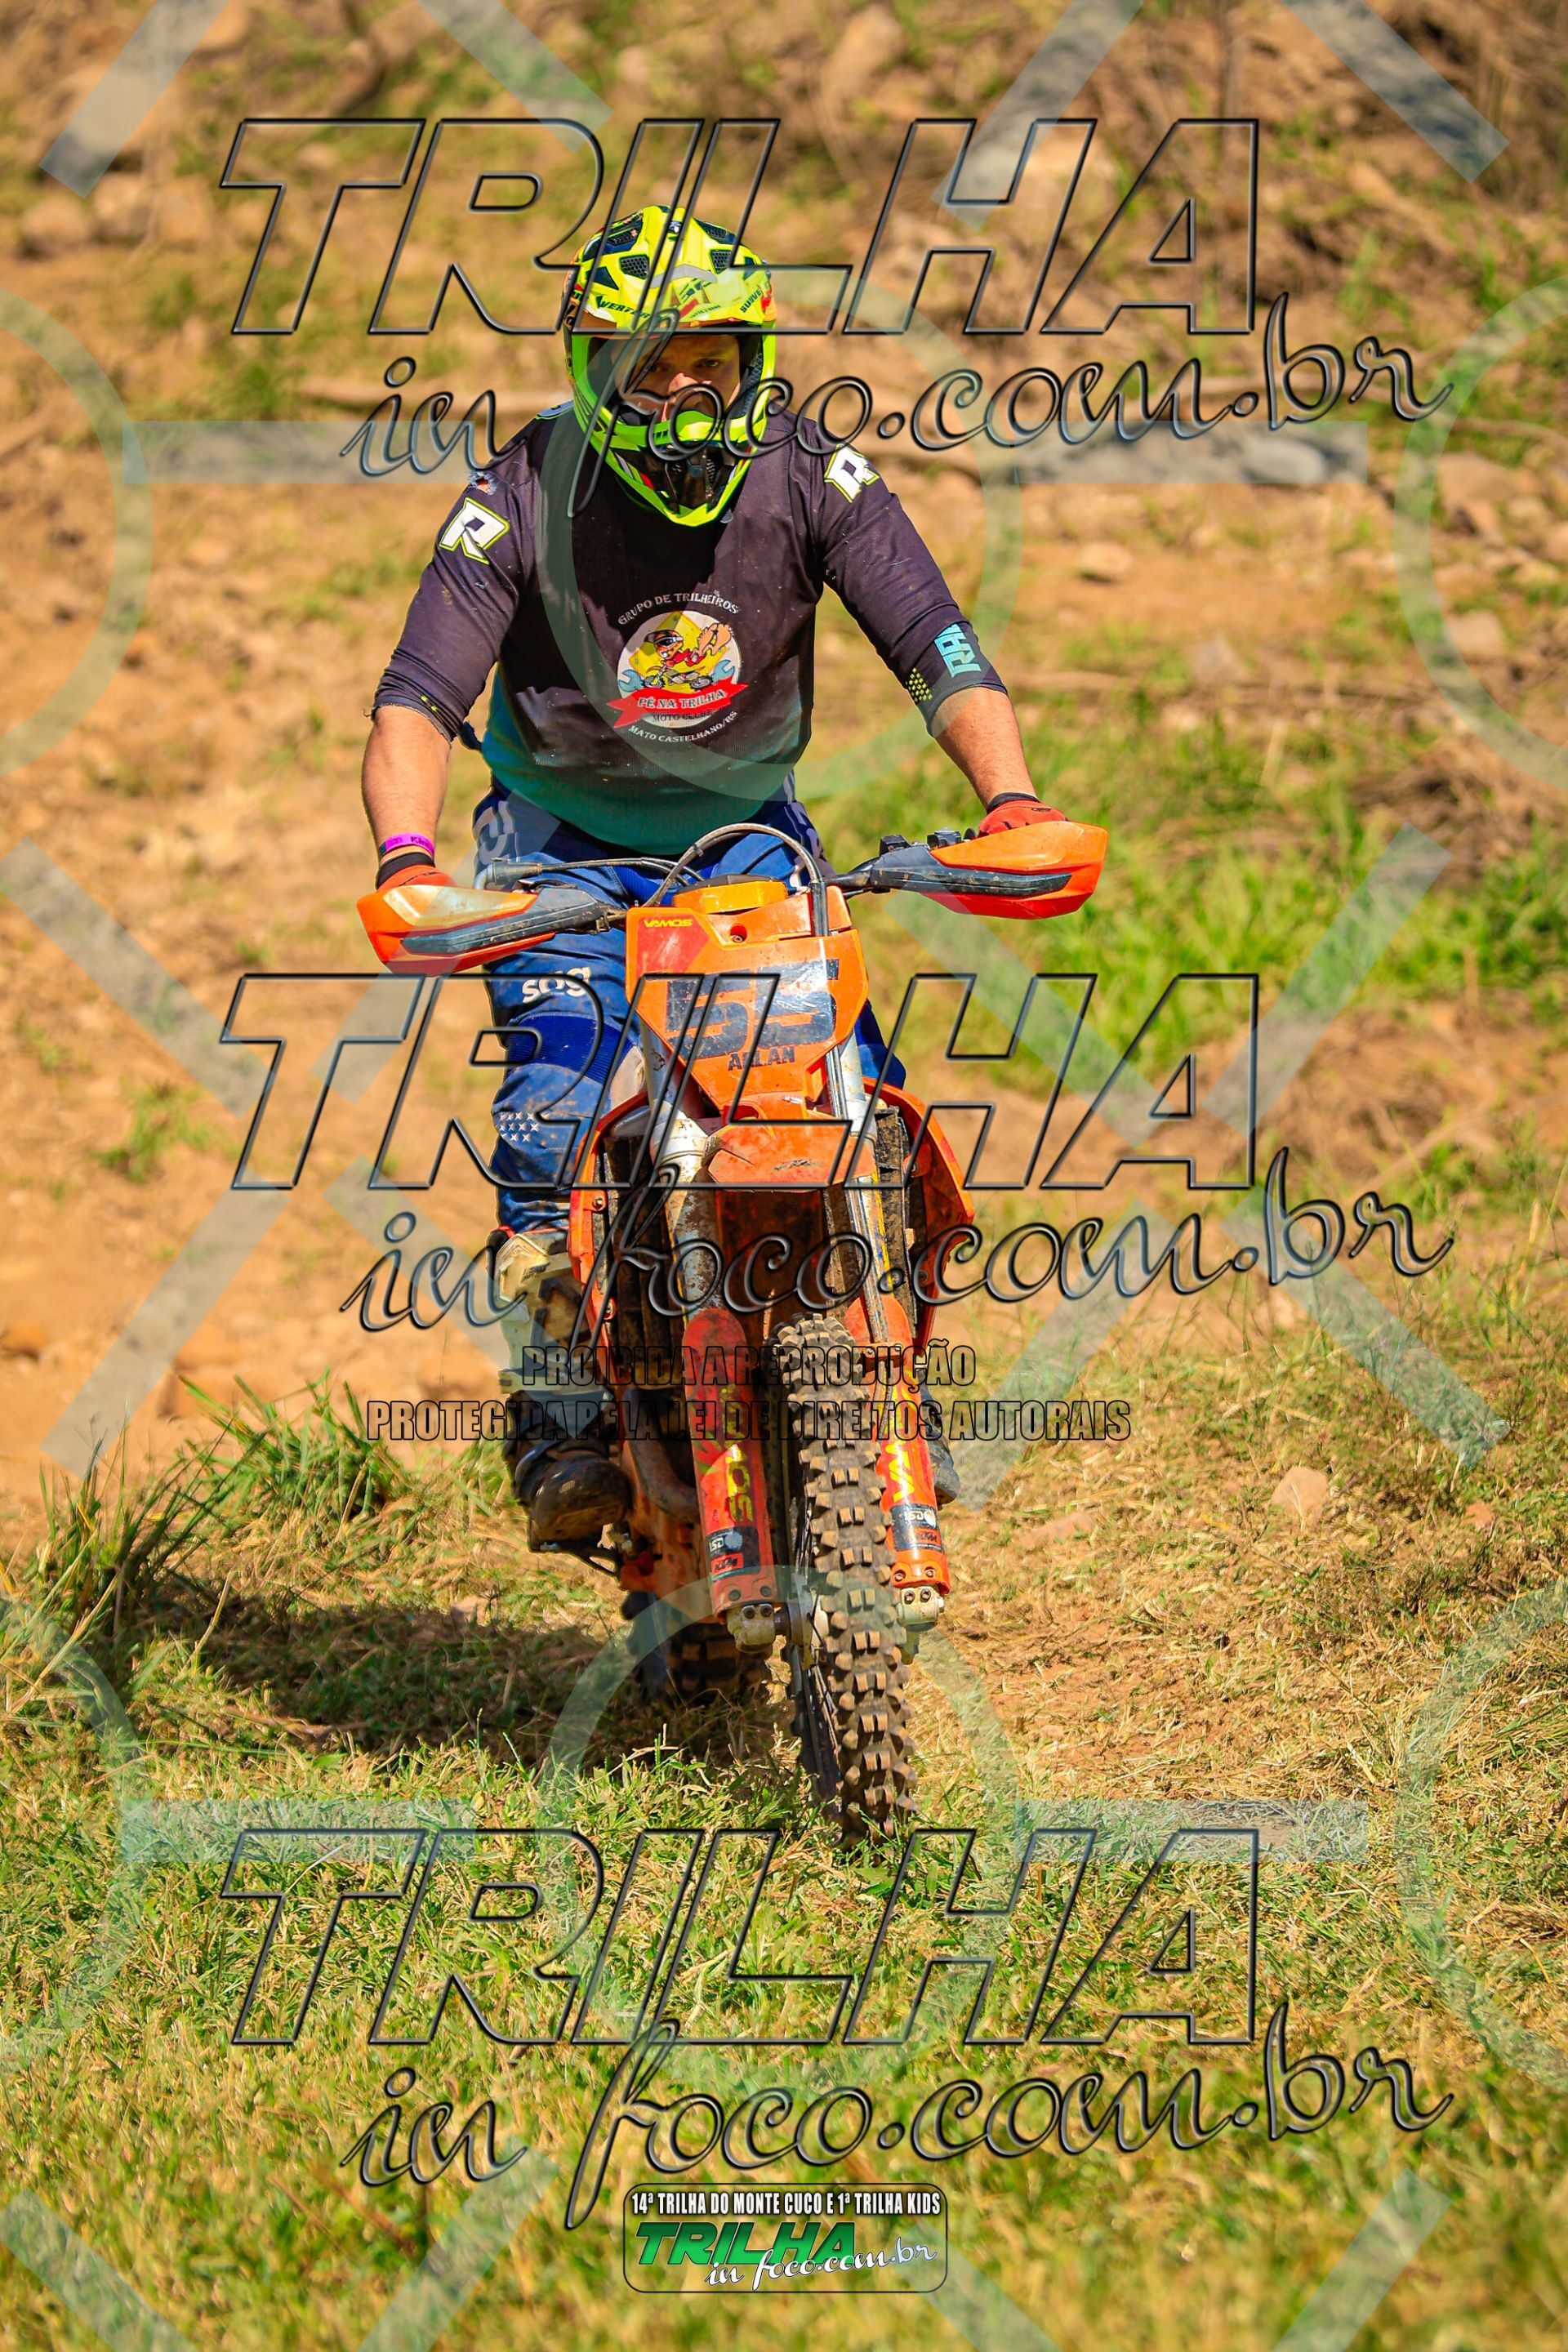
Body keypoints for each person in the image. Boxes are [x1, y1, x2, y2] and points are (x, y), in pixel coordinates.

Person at [363, 203, 1066, 1547]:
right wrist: (409, 862)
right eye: (654, 367)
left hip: (747, 839)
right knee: (555, 1117)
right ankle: (563, 1416)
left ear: (754, 364)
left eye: (713, 363)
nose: (688, 395)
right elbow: (414, 702)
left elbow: (940, 647)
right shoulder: (520, 493)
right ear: (596, 371)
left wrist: (1011, 801)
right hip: (556, 849)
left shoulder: (813, 475)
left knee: (859, 1102)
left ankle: (886, 1389)